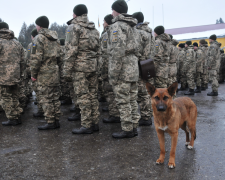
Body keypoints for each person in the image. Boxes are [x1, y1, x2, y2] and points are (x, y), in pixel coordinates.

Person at [63, 4, 100, 134]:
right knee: (93, 95)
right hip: (92, 66)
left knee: (83, 96)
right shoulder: (94, 29)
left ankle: (86, 125)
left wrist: (66, 70)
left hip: (79, 68)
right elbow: (98, 50)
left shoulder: (73, 27)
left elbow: (70, 50)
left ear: (75, 14)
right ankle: (95, 123)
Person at [108, 0, 140, 138]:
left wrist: (113, 74)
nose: (111, 13)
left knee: (123, 100)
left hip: (122, 69)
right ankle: (133, 127)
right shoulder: (133, 26)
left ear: (116, 11)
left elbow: (117, 51)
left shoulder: (117, 26)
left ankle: (127, 129)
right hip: (133, 67)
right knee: (132, 99)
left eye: (112, 10)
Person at [30, 16, 61, 130]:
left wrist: (33, 74)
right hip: (54, 70)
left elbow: (36, 59)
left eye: (36, 25)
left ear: (39, 26)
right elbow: (60, 55)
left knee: (46, 98)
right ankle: (56, 120)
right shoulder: (55, 38)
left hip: (44, 73)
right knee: (54, 97)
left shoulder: (38, 38)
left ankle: (50, 121)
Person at [0, 22, 24, 126]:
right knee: (14, 96)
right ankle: (17, 116)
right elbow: (23, 60)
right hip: (16, 75)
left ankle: (12, 118)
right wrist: (21, 73)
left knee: (5, 97)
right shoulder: (16, 43)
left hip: (3, 76)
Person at [132, 11, 153, 126]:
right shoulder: (149, 31)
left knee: (142, 92)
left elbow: (137, 49)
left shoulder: (138, 32)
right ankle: (147, 115)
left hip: (140, 64)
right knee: (146, 91)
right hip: (148, 63)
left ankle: (145, 117)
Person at [100, 14, 121, 123]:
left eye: (104, 21)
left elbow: (104, 53)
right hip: (114, 65)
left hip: (108, 66)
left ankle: (114, 114)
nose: (103, 23)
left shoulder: (106, 34)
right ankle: (115, 112)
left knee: (109, 91)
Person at [59, 38, 73, 105]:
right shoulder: (66, 48)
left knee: (63, 84)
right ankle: (68, 97)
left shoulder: (61, 49)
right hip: (66, 67)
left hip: (62, 68)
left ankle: (66, 98)